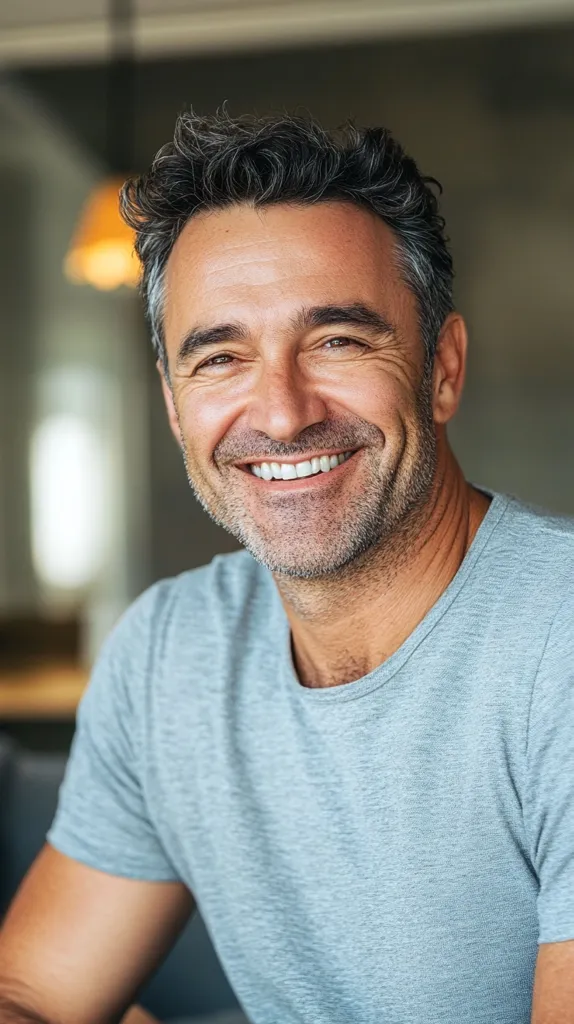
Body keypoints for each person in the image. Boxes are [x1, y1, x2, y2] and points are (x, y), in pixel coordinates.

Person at [0, 108, 572, 1024]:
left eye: (338, 340)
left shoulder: (557, 644)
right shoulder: (169, 654)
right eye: (221, 357)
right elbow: (30, 993)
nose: (281, 411)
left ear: (442, 369)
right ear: (175, 407)